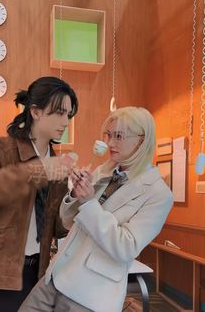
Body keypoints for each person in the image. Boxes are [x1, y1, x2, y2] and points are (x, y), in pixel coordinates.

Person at [19, 106, 174, 312]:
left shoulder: (158, 193)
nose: (109, 142)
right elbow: (66, 222)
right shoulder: (103, 170)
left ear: (141, 140)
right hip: (55, 276)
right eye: (108, 135)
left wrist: (90, 203)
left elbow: (126, 247)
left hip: (89, 294)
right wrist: (75, 194)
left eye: (118, 136)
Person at [0, 76, 79, 312]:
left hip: (39, 270)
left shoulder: (56, 162)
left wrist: (75, 198)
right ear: (36, 111)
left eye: (68, 115)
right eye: (59, 113)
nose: (65, 121)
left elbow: (56, 228)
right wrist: (38, 172)